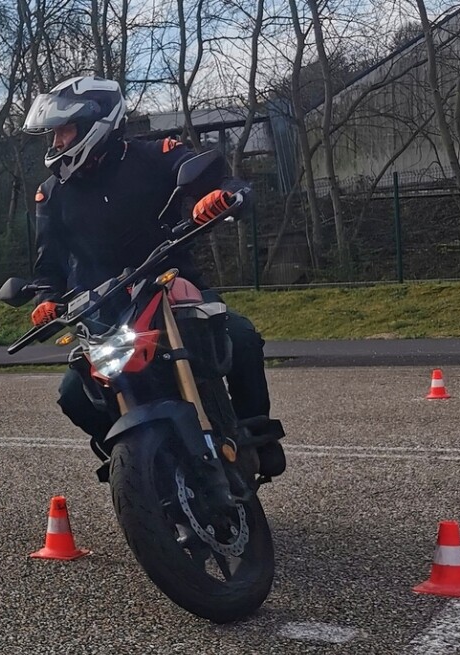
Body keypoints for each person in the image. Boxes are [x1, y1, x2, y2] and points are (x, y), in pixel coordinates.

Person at [22, 75, 284, 477]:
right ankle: (129, 459)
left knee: (241, 336)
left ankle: (257, 434)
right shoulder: (52, 192)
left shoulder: (154, 155)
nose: (56, 143)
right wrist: (45, 299)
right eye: (54, 134)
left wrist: (221, 196)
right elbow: (48, 261)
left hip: (171, 284)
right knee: (74, 393)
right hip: (105, 310)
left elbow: (217, 179)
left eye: (65, 131)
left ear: (98, 123)